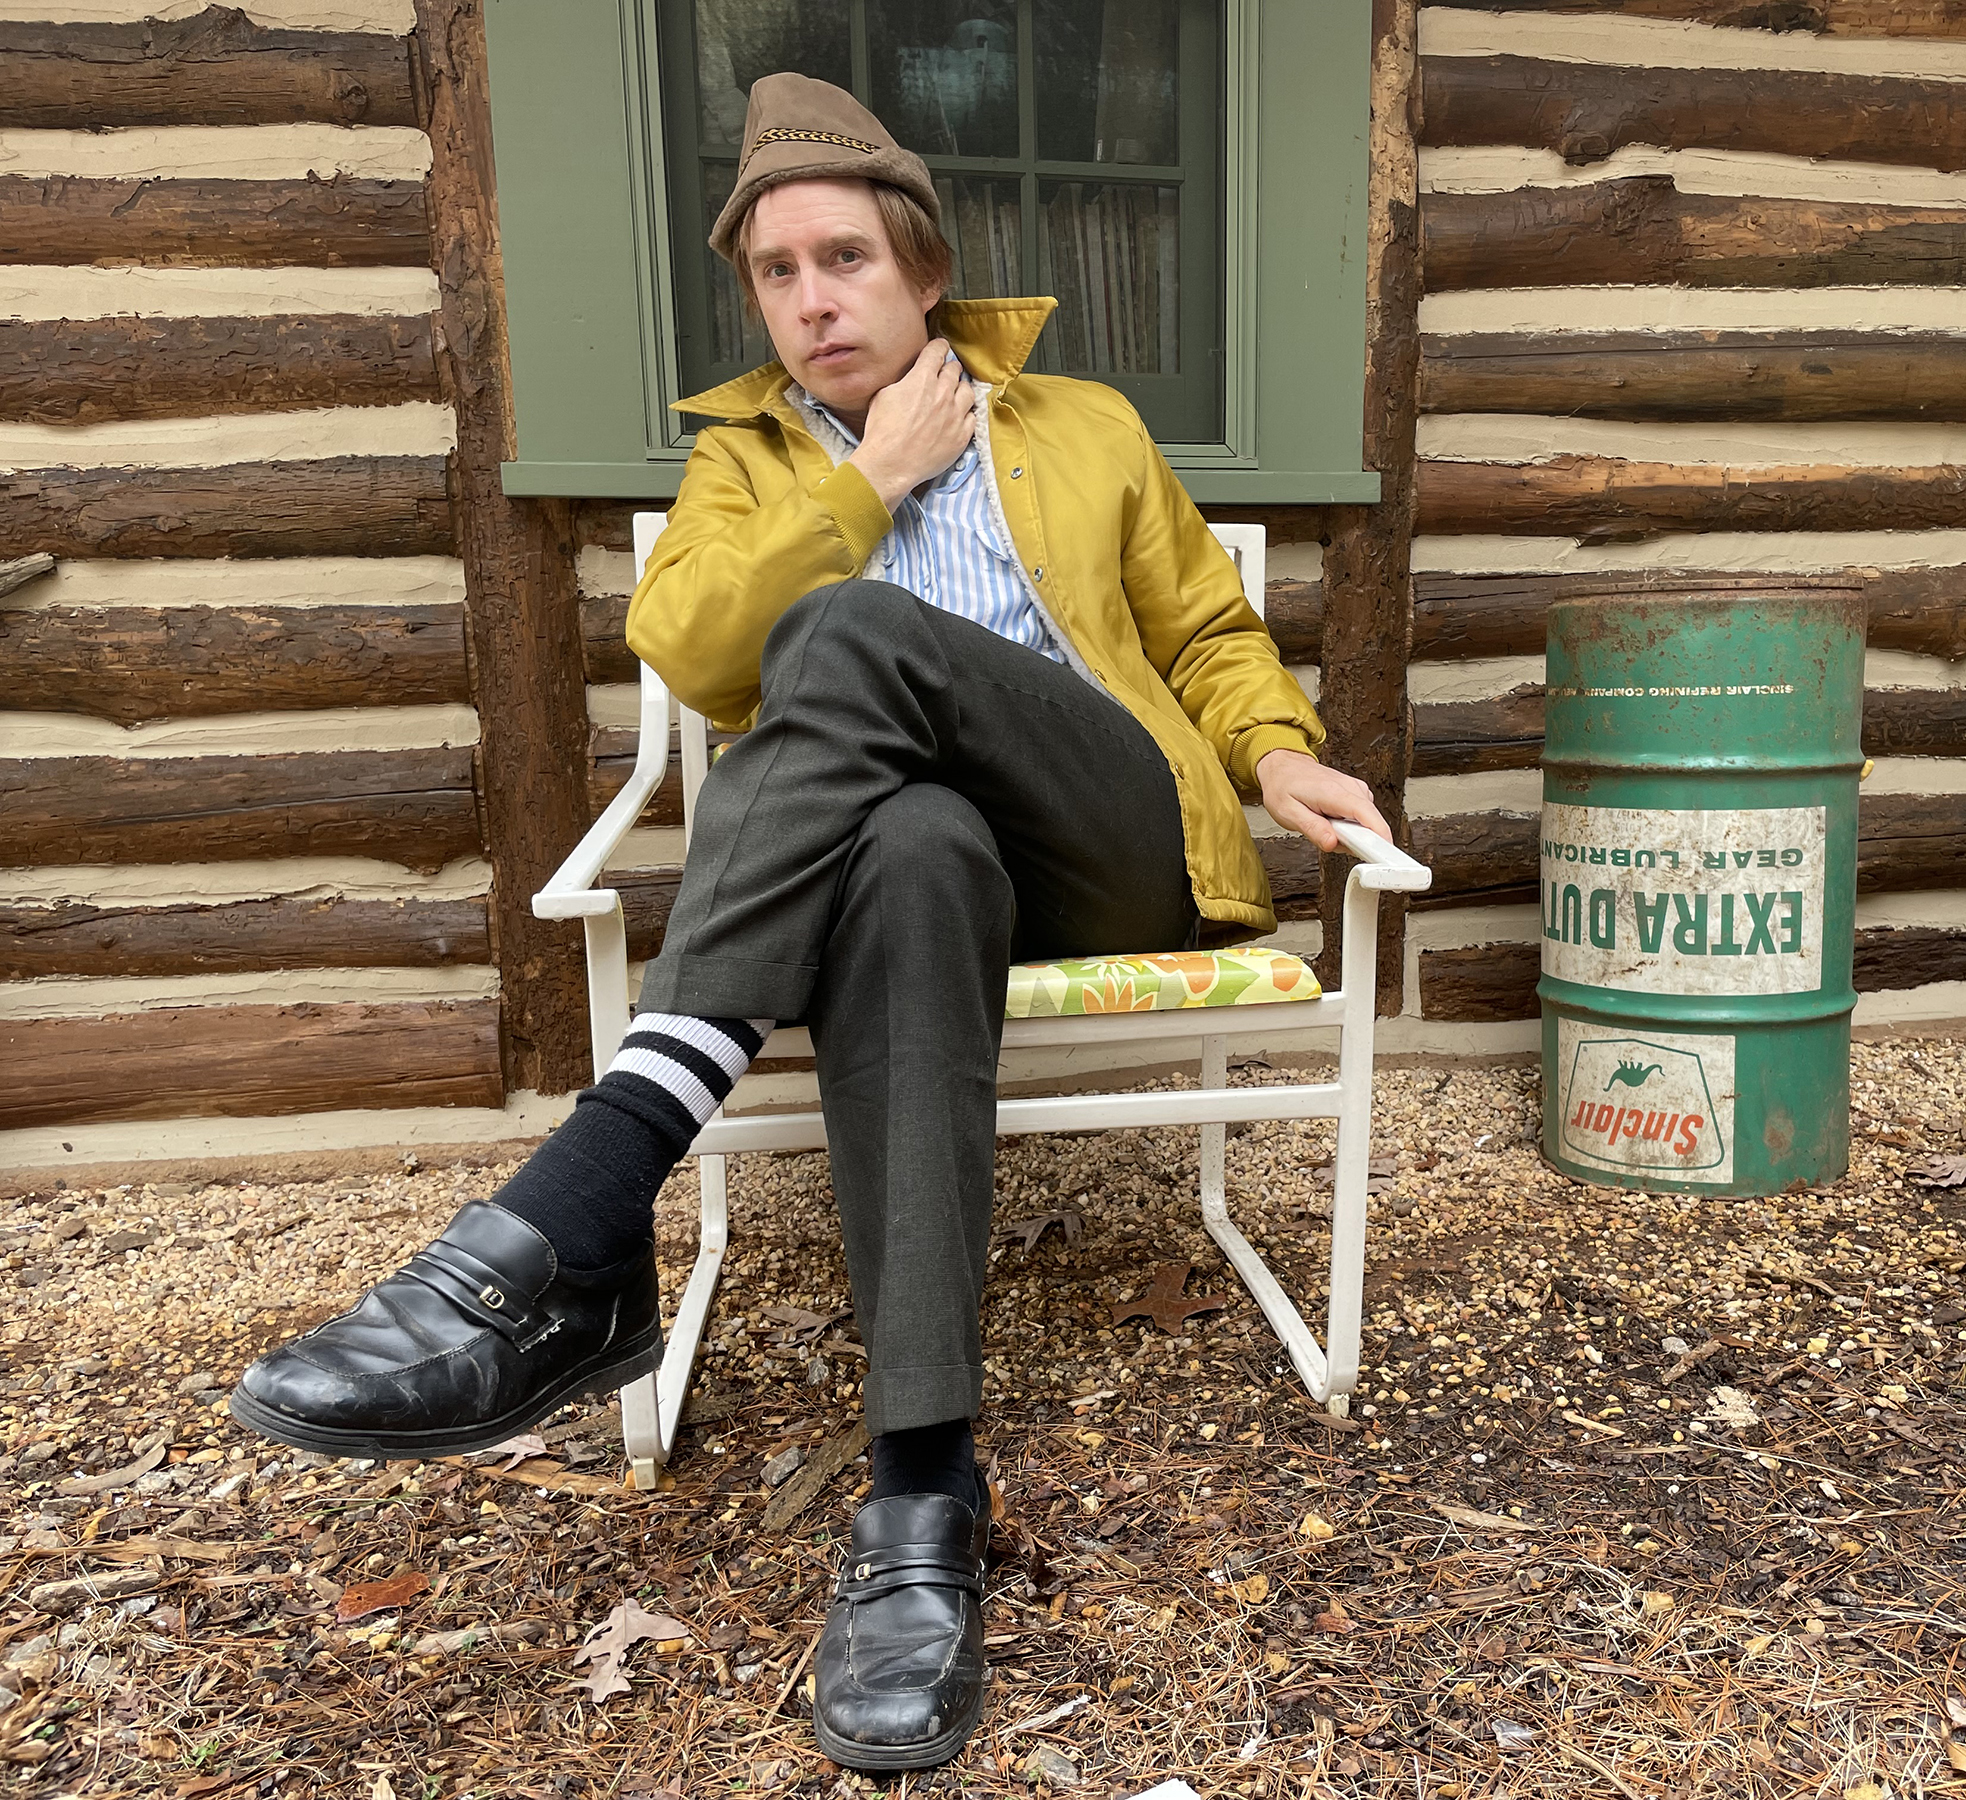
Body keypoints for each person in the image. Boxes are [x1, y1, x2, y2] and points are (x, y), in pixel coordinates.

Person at [227, 73, 1389, 1772]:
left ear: (924, 272)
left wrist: (1281, 757)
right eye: (775, 272)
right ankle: (922, 1496)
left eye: (843, 256)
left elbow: (1206, 631)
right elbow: (693, 650)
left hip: (1105, 833)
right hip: (913, 870)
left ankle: (582, 1202)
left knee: (846, 643)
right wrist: (863, 484)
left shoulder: (1083, 426)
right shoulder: (742, 460)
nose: (811, 298)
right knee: (910, 847)